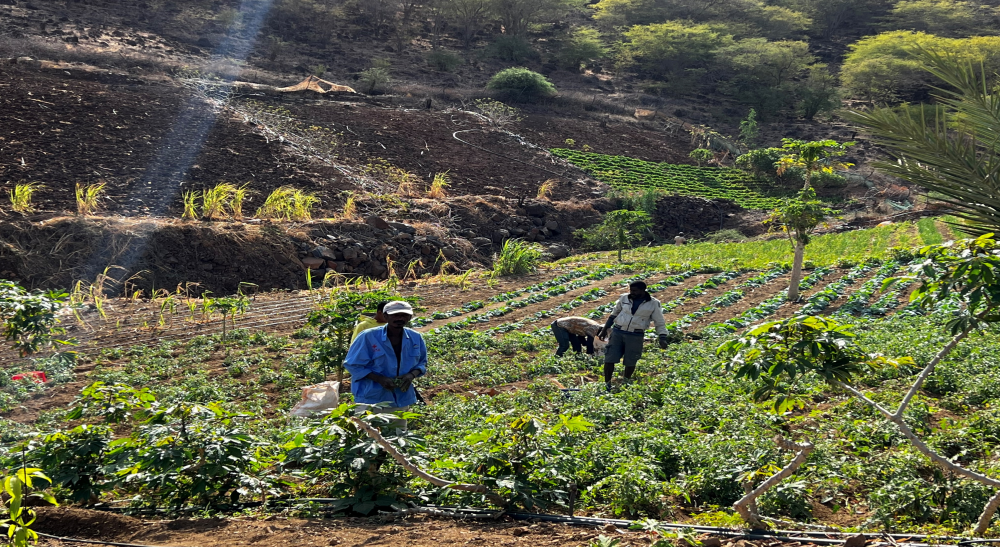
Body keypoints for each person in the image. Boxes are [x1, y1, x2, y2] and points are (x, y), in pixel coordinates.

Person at [343, 300, 426, 427]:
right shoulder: (367, 337)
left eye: (404, 315)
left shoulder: (415, 337)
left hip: (400, 398)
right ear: (385, 316)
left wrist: (411, 375)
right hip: (372, 398)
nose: (400, 318)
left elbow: (422, 363)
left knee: (397, 436)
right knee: (370, 436)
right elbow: (352, 364)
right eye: (395, 315)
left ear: (410, 317)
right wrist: (379, 379)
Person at [596, 281, 671, 392]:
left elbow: (659, 322)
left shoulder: (653, 303)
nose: (632, 293)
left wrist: (662, 337)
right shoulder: (624, 298)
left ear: (643, 290)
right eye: (631, 290)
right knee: (609, 358)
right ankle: (607, 384)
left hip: (636, 335)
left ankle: (626, 383)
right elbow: (613, 315)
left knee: (630, 361)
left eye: (635, 291)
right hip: (618, 332)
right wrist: (604, 330)